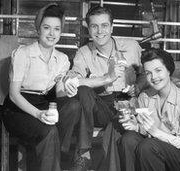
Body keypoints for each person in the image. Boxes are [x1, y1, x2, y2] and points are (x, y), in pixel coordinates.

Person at [57, 5, 146, 171]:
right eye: (94, 26)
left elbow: (146, 74)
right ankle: (83, 153)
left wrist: (138, 86)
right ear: (88, 29)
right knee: (83, 90)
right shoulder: (83, 52)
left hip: (127, 105)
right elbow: (74, 80)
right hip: (100, 107)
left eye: (104, 25)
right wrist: (106, 78)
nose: (100, 31)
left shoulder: (132, 46)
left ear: (112, 27)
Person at [2, 3, 71, 171]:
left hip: (43, 102)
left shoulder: (62, 59)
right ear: (38, 29)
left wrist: (68, 90)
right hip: (17, 108)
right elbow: (13, 95)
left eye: (56, 29)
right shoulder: (23, 54)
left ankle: (58, 151)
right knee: (50, 132)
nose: (51, 33)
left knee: (73, 105)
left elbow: (59, 91)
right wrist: (39, 114)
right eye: (46, 27)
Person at [118, 48, 180, 171]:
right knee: (128, 139)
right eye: (148, 73)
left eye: (158, 70)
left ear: (169, 70)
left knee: (148, 145)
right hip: (154, 152)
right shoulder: (144, 97)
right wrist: (136, 127)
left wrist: (155, 132)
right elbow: (146, 130)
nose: (154, 77)